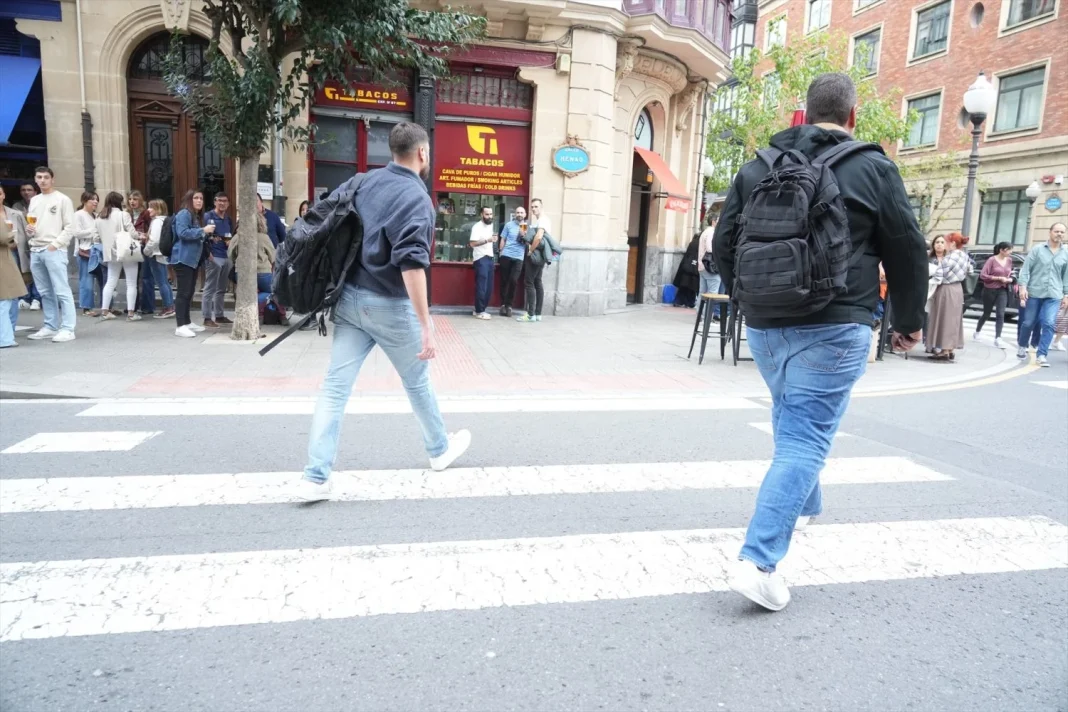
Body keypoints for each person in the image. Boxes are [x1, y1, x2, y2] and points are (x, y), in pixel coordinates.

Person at [713, 73, 928, 611]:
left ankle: (802, 505)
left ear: (803, 115)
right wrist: (908, 320)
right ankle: (758, 562)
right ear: (852, 117)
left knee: (791, 420)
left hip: (764, 325)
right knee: (805, 439)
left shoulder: (759, 165)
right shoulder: (873, 167)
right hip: (836, 322)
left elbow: (724, 242)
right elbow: (907, 248)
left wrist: (748, 300)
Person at [300, 121, 471, 502]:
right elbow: (411, 264)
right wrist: (426, 325)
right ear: (422, 153)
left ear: (391, 151)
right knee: (417, 381)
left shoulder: (364, 182)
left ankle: (316, 476)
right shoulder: (416, 199)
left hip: (348, 301)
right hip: (389, 305)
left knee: (334, 389)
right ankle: (439, 450)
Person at [25, 166, 77, 343]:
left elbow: (70, 227)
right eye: (39, 177)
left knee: (62, 290)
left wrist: (55, 245)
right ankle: (50, 325)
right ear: (35, 179)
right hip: (36, 248)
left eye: (46, 177)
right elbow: (33, 224)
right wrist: (30, 231)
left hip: (53, 248)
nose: (42, 180)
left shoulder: (63, 200)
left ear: (52, 179)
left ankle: (68, 328)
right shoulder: (34, 201)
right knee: (44, 291)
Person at [1017, 222, 1068, 367]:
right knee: (1028, 322)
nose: (1059, 234)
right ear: (1050, 232)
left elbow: (1066, 276)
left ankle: (1042, 354)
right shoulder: (1037, 249)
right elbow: (1026, 269)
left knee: (1049, 323)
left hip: (1054, 294)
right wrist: (1023, 288)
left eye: (1062, 232)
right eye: (1057, 231)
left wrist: (1066, 295)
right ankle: (1022, 345)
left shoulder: (1066, 253)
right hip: (1034, 292)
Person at [171, 190, 213, 338]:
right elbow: (182, 233)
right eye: (196, 198)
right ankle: (180, 325)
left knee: (189, 292)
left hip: (192, 260)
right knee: (183, 292)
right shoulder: (184, 214)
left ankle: (187, 322)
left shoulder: (194, 216)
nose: (199, 201)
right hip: (182, 259)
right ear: (189, 200)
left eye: (201, 198)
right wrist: (203, 230)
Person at [227, 211, 278, 326]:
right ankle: (256, 299)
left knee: (244, 293)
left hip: (242, 272)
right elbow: (273, 257)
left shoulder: (237, 237)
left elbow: (230, 255)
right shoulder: (264, 237)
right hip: (263, 272)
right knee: (272, 291)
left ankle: (249, 299)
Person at [96, 192, 141, 321]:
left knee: (110, 281)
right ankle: (131, 314)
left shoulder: (100, 216)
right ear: (119, 202)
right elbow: (132, 233)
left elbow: (95, 237)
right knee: (131, 283)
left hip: (110, 252)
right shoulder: (123, 215)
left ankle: (105, 311)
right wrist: (140, 236)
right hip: (126, 250)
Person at [925, 232, 970, 361]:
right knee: (954, 319)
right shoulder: (964, 256)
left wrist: (930, 281)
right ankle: (950, 349)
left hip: (946, 289)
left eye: (946, 242)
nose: (944, 244)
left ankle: (944, 350)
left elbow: (939, 275)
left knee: (943, 318)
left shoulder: (950, 258)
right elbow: (969, 270)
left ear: (953, 243)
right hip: (957, 289)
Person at [0, 186, 28, 347]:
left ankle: (7, 334)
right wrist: (11, 234)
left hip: (8, 257)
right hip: (3, 259)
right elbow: (5, 237)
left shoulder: (13, 213)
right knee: (6, 299)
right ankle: (5, 337)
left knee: (8, 298)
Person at [201, 192, 234, 327]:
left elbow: (230, 235)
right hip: (214, 256)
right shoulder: (208, 216)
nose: (222, 203)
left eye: (225, 201)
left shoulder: (228, 219)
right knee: (210, 287)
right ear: (214, 202)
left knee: (221, 288)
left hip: (226, 256)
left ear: (228, 203)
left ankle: (219, 315)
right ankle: (207, 317)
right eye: (219, 201)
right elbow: (202, 235)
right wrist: (208, 253)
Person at [974, 241, 1013, 349]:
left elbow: (1011, 273)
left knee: (1000, 314)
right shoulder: (991, 260)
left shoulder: (1009, 260)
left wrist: (1009, 279)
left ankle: (998, 338)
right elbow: (983, 275)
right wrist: (997, 278)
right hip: (990, 289)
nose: (1010, 252)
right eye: (1008, 250)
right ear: (1002, 250)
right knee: (986, 313)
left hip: (1003, 290)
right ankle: (977, 331)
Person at [517, 198, 550, 322]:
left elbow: (538, 237)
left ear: (541, 207)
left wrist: (531, 251)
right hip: (540, 255)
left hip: (535, 255)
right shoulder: (538, 221)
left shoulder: (543, 220)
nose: (533, 209)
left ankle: (530, 314)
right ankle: (537, 314)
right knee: (537, 282)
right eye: (532, 207)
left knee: (529, 282)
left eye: (536, 206)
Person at [141, 199, 175, 319]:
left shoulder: (156, 222)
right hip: (162, 254)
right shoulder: (164, 220)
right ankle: (170, 306)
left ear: (158, 209)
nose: (148, 210)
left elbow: (154, 240)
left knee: (161, 282)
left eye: (151, 207)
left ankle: (168, 307)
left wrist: (146, 251)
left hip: (156, 254)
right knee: (165, 282)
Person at [70, 191, 102, 317]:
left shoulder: (95, 215)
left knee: (102, 279)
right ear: (84, 201)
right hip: (85, 251)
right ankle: (86, 307)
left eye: (96, 200)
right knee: (86, 279)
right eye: (92, 200)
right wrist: (93, 231)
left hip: (97, 250)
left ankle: (106, 306)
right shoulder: (78, 215)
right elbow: (76, 233)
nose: (95, 202)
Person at [11, 181, 41, 311]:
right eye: (23, 190)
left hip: (38, 242)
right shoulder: (17, 206)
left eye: (29, 190)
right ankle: (25, 297)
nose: (26, 192)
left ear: (35, 191)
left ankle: (36, 298)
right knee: (23, 271)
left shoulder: (40, 204)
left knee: (37, 272)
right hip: (22, 244)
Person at [497, 206, 526, 317]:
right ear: (515, 214)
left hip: (519, 257)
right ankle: (503, 305)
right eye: (517, 212)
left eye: (521, 212)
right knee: (504, 280)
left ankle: (509, 305)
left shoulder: (526, 226)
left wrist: (524, 235)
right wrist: (500, 252)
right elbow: (503, 239)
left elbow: (527, 242)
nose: (519, 214)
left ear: (525, 214)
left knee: (513, 280)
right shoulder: (508, 225)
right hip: (506, 255)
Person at [469, 205, 496, 320]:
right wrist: (487, 240)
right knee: (482, 286)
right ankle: (480, 311)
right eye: (487, 214)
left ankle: (480, 309)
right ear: (481, 215)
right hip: (481, 258)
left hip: (490, 258)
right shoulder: (477, 227)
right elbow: (472, 243)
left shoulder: (491, 226)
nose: (489, 216)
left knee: (489, 287)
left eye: (490, 214)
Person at [697, 215, 721, 318]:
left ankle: (700, 316)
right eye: (719, 220)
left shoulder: (704, 232)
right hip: (709, 266)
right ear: (714, 222)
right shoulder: (711, 232)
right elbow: (710, 248)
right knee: (713, 293)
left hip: (702, 265)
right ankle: (707, 318)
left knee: (702, 292)